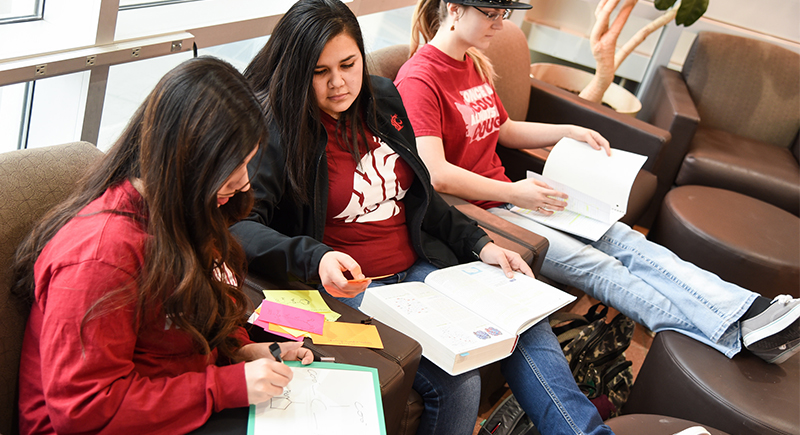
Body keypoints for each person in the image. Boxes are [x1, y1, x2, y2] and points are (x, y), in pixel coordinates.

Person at [231, 0, 617, 434]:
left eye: (348, 64)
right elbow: (239, 226)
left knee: (523, 324)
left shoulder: (381, 99)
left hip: (421, 266)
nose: (339, 83)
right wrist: (315, 256)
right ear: (298, 70)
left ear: (361, 54)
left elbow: (421, 192)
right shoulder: (276, 130)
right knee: (460, 381)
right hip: (356, 289)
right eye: (320, 73)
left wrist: (480, 244)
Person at [394, 0, 800, 366]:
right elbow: (436, 173)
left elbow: (505, 129)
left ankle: (751, 310)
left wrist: (565, 130)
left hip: (514, 199)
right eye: (492, 14)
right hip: (484, 216)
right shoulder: (419, 78)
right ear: (453, 8)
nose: (500, 24)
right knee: (602, 267)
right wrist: (515, 193)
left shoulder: (473, 63)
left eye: (504, 15)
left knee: (627, 241)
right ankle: (729, 335)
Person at [11, 56, 313, 435]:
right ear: (187, 162)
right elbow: (85, 411)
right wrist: (226, 386)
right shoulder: (101, 255)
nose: (243, 183)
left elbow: (205, 304)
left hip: (175, 402)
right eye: (232, 167)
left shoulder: (182, 210)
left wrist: (238, 351)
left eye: (248, 163)